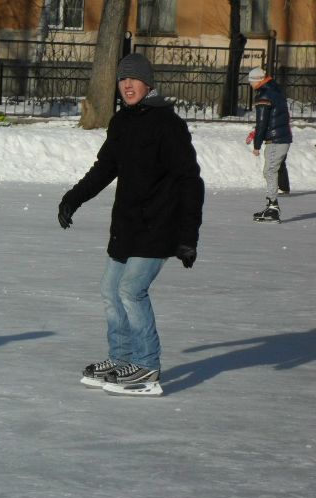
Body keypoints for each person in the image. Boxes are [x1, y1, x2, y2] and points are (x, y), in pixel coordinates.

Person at [57, 53, 204, 397]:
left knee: (131, 289)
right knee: (110, 289)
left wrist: (188, 237)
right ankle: (121, 358)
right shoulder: (122, 122)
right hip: (127, 225)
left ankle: (146, 366)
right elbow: (105, 168)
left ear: (147, 83)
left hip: (159, 226)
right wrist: (73, 198)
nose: (127, 85)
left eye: (133, 79)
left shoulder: (168, 125)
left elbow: (190, 181)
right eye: (122, 80)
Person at [247, 66, 292, 223]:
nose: (250, 84)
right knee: (270, 170)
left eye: (251, 81)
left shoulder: (264, 96)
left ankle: (272, 208)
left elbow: (262, 122)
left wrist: (256, 145)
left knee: (270, 171)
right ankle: (271, 206)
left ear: (258, 81)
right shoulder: (275, 91)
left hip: (276, 140)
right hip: (281, 137)